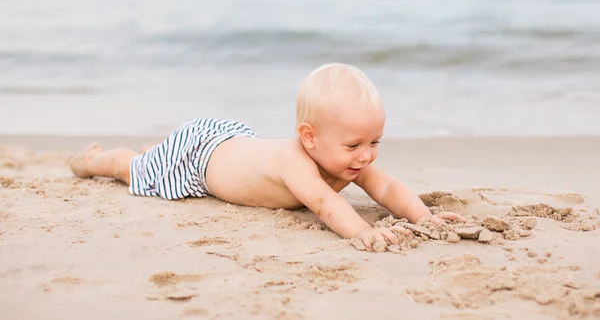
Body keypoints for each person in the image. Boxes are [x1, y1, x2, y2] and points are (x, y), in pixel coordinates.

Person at [69, 63, 463, 250]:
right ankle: (95, 161)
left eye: (374, 142)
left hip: (234, 142)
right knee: (137, 171)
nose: (366, 156)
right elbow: (326, 204)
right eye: (354, 145)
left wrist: (423, 217)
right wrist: (363, 232)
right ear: (309, 138)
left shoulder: (345, 158)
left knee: (159, 156)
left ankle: (157, 151)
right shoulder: (296, 162)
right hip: (201, 158)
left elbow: (388, 187)